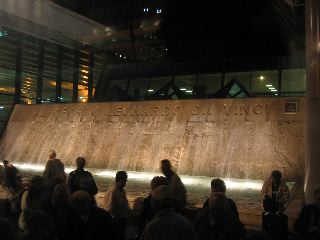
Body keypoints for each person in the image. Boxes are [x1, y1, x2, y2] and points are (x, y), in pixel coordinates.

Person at [261, 170, 289, 239]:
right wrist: (267, 197)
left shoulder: (283, 184)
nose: (276, 181)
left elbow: (286, 195)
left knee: (278, 217)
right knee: (267, 216)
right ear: (272, 178)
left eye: (277, 179)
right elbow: (263, 192)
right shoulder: (267, 182)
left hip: (278, 203)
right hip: (268, 204)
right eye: (274, 179)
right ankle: (266, 230)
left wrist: (281, 199)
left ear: (280, 178)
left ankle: (277, 230)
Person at [102, 170, 130, 240]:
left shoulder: (122, 190)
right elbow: (111, 207)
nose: (126, 182)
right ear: (121, 180)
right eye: (125, 180)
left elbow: (125, 204)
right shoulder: (114, 191)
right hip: (115, 219)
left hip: (120, 218)